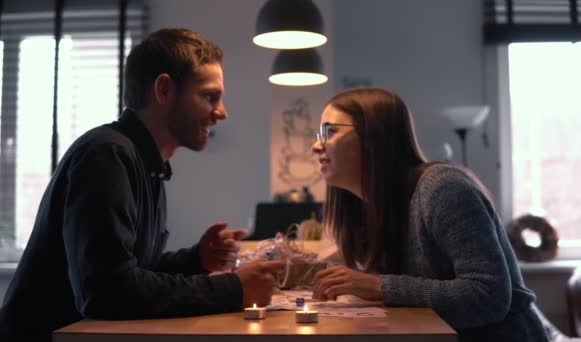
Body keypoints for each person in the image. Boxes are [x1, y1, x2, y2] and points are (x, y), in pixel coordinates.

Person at [0, 28, 284, 341]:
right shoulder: (106, 154)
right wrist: (233, 288)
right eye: (209, 97)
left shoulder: (146, 164)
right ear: (164, 90)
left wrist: (196, 259)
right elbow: (108, 290)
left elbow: (133, 269)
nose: (221, 112)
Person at [310, 88, 549, 341]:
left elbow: (488, 295)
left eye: (330, 131)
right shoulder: (367, 204)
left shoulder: (443, 188)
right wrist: (291, 267)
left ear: (374, 135)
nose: (316, 146)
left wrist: (379, 286)